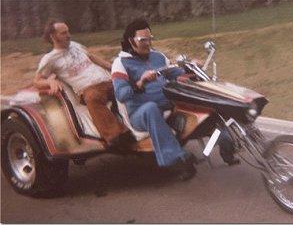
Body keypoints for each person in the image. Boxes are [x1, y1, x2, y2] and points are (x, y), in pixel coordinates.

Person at [111, 19, 196, 181]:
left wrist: (191, 67)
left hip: (168, 105)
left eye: (150, 38)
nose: (148, 43)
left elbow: (176, 73)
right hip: (139, 113)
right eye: (143, 40)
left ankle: (225, 142)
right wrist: (140, 82)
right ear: (130, 41)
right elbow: (121, 94)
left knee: (196, 95)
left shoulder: (158, 56)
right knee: (150, 108)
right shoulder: (120, 63)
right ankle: (176, 159)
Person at [33, 20, 126, 147]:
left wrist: (114, 69)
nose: (69, 35)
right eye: (64, 33)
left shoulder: (75, 45)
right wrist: (50, 81)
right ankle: (115, 138)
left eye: (68, 31)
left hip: (107, 81)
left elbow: (92, 57)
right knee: (93, 98)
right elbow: (37, 81)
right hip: (89, 89)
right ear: (53, 37)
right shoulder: (50, 59)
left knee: (132, 84)